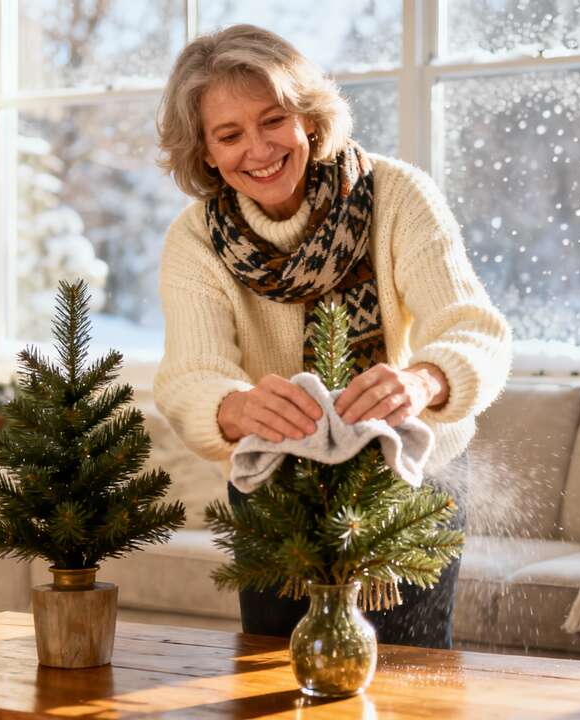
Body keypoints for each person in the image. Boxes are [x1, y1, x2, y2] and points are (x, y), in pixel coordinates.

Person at [153, 24, 511, 649]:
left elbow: (473, 328)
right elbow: (191, 372)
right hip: (273, 494)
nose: (258, 149)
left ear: (309, 121)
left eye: (273, 121)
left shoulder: (398, 196)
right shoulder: (195, 241)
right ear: (206, 152)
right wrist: (234, 406)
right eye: (229, 134)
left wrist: (424, 380)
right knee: (271, 681)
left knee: (412, 689)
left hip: (409, 486)